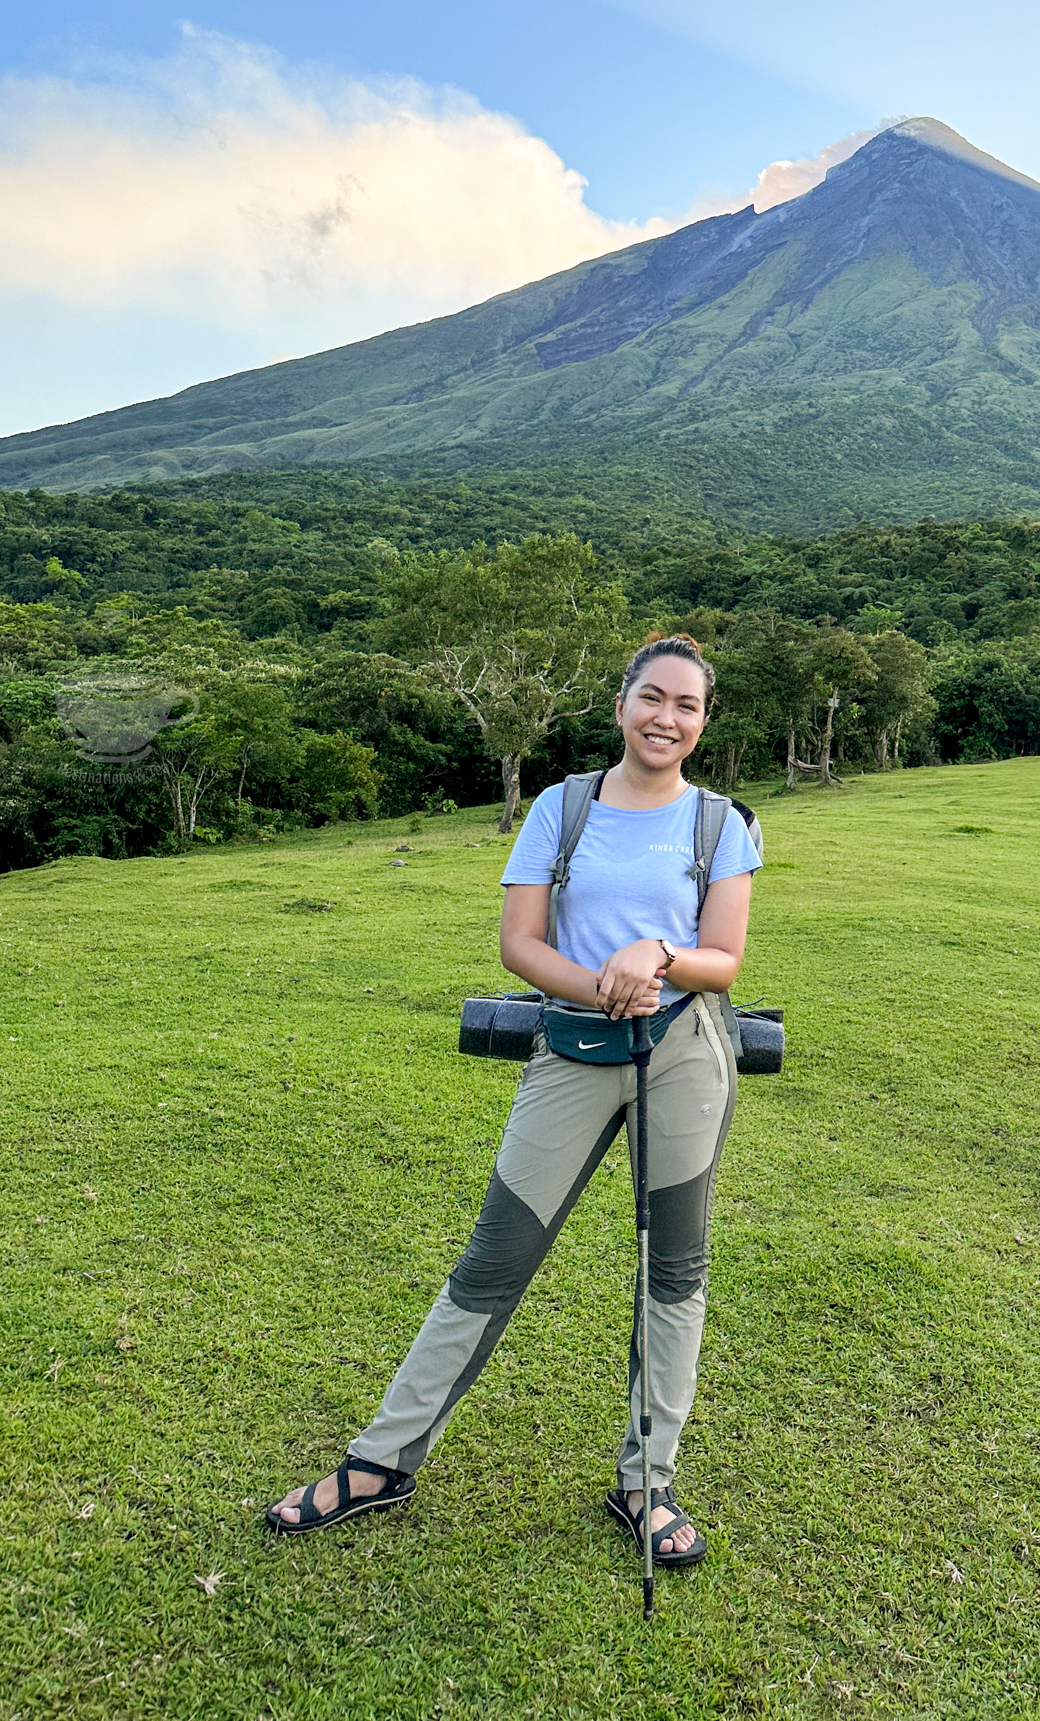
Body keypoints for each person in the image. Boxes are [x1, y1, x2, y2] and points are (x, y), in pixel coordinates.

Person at [265, 633, 761, 1568]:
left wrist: (654, 957)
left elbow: (723, 959)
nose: (667, 718)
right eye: (652, 698)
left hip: (685, 1057)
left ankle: (647, 1482)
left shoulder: (720, 823)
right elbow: (520, 947)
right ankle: (382, 1463)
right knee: (493, 1260)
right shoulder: (561, 809)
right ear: (620, 706)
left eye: (687, 706)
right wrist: (598, 986)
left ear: (701, 724)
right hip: (572, 1053)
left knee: (675, 1273)